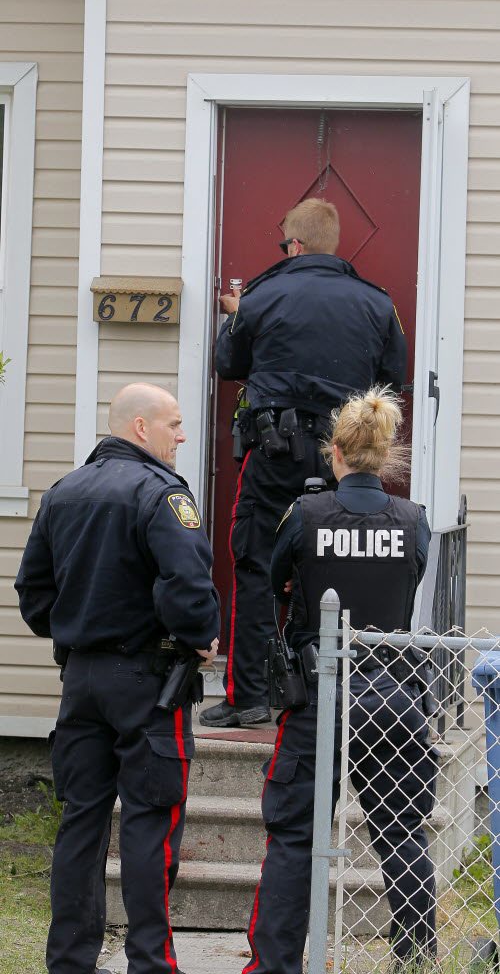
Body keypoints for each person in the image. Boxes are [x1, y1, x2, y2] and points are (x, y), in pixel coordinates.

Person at [15, 383, 220, 974]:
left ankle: (70, 962)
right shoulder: (162, 495)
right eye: (175, 425)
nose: (181, 436)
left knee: (81, 819)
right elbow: (188, 587)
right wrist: (198, 637)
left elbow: (32, 595)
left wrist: (78, 625)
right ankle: (149, 963)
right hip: (148, 683)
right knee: (150, 822)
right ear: (140, 428)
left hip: (80, 680)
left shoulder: (63, 493)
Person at [242, 386, 437, 974]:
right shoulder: (414, 521)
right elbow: (412, 579)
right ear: (387, 455)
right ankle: (416, 957)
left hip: (317, 695)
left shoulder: (304, 515)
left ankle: (276, 965)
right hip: (394, 695)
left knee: (294, 837)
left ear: (335, 453)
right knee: (402, 831)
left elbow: (277, 578)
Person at [200, 198, 407, 728]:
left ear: (293, 245)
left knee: (254, 562)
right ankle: (344, 696)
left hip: (275, 453)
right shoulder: (376, 303)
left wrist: (238, 314)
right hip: (346, 455)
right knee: (344, 561)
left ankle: (248, 697)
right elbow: (394, 379)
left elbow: (229, 363)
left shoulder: (263, 295)